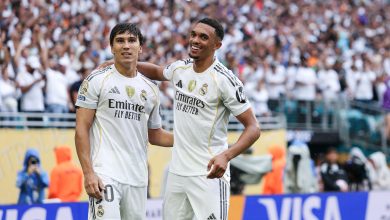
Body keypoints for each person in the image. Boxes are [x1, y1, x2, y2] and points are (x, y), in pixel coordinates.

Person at [136, 18, 261, 220]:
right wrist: (129, 64)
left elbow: (253, 128)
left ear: (217, 45)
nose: (195, 40)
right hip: (177, 173)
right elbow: (158, 72)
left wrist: (226, 156)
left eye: (204, 37)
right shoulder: (181, 69)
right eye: (193, 34)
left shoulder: (225, 80)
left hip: (209, 173)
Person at [75, 23, 173, 220]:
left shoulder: (151, 89)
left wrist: (190, 139)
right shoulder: (96, 80)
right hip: (105, 174)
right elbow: (81, 129)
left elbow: (155, 134)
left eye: (131, 41)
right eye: (120, 41)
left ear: (140, 47)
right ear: (111, 47)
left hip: (137, 178)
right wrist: (89, 173)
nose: (126, 46)